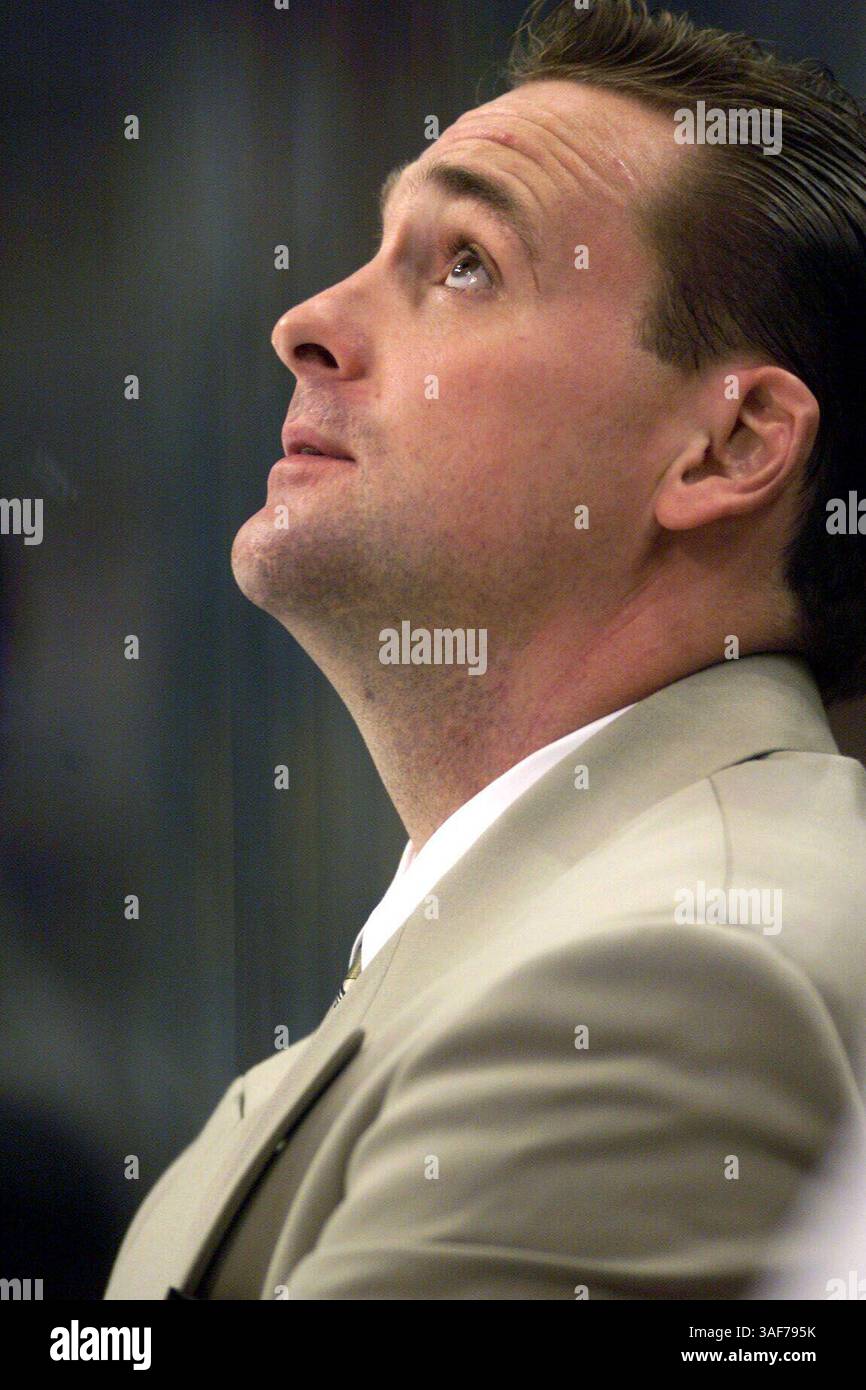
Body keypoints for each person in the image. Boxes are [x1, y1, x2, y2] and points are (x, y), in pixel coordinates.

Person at [105, 0, 866, 1299]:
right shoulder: (590, 922)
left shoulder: (671, 973)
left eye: (465, 263)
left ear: (727, 447)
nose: (306, 320)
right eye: (380, 246)